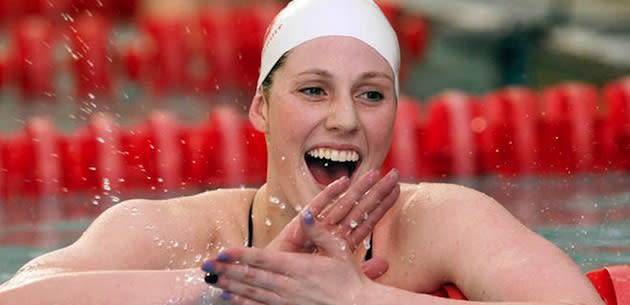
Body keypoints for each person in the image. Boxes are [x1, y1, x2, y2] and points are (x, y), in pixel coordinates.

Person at [0, 1, 603, 304]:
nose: (343, 119)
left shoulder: (441, 223)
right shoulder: (175, 231)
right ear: (261, 108)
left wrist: (361, 299)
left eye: (371, 95)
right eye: (314, 90)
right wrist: (227, 288)